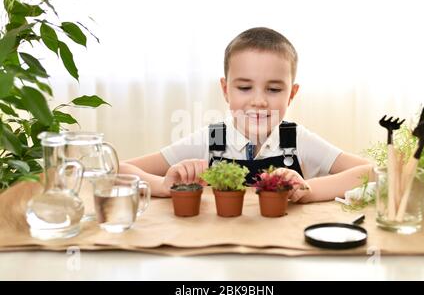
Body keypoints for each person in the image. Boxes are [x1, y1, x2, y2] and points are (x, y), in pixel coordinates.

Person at [120, 27, 374, 203]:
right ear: (225, 90)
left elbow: (371, 171)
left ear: (292, 94)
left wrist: (307, 189)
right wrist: (164, 185)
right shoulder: (211, 139)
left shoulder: (296, 139)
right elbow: (120, 169)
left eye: (273, 89)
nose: (259, 101)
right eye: (244, 88)